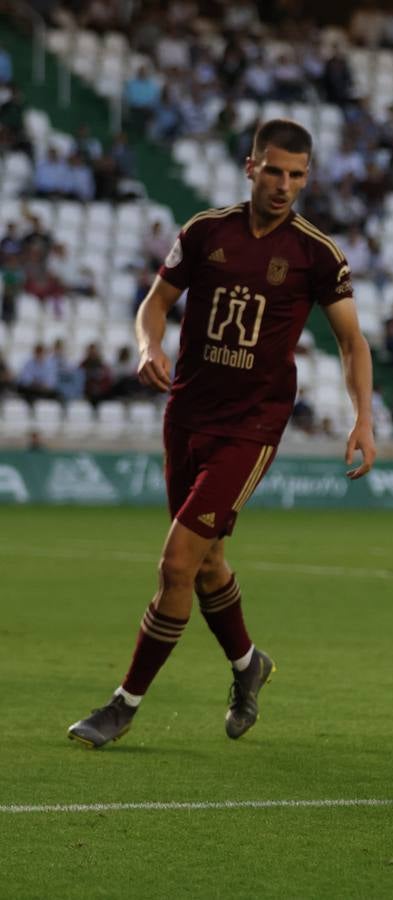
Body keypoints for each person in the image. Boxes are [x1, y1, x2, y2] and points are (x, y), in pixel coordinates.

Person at [66, 119, 377, 749]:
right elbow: (153, 303)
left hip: (252, 425)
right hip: (185, 415)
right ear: (250, 167)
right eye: (274, 171)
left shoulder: (317, 254)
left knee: (175, 561)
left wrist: (363, 417)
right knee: (207, 563)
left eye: (296, 174)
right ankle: (247, 665)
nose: (285, 184)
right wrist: (147, 344)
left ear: (307, 176)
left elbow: (351, 342)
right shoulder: (204, 232)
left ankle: (123, 705)